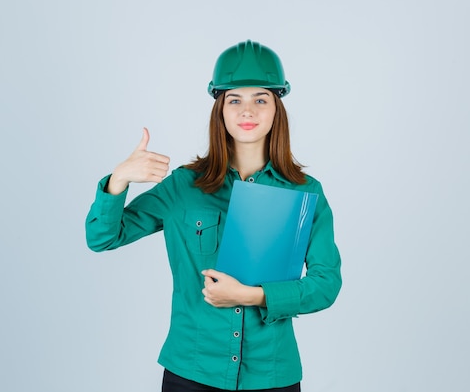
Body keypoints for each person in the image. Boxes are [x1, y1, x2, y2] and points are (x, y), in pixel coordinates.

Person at [85, 40, 342, 391]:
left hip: (272, 375)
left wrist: (253, 296)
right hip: (191, 372)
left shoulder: (306, 192)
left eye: (260, 99)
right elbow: (103, 237)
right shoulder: (184, 186)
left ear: (277, 108)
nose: (247, 111)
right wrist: (119, 180)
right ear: (220, 109)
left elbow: (326, 285)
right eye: (235, 100)